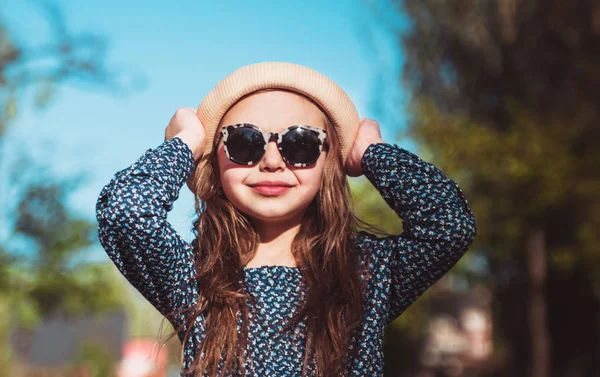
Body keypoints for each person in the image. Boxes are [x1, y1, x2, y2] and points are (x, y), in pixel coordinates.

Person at [95, 62, 477, 377]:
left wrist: (371, 152)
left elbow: (449, 224)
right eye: (245, 142)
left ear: (330, 160)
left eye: (301, 144)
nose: (273, 161)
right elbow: (124, 214)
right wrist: (187, 143)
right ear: (216, 159)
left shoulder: (364, 272)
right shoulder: (195, 275)